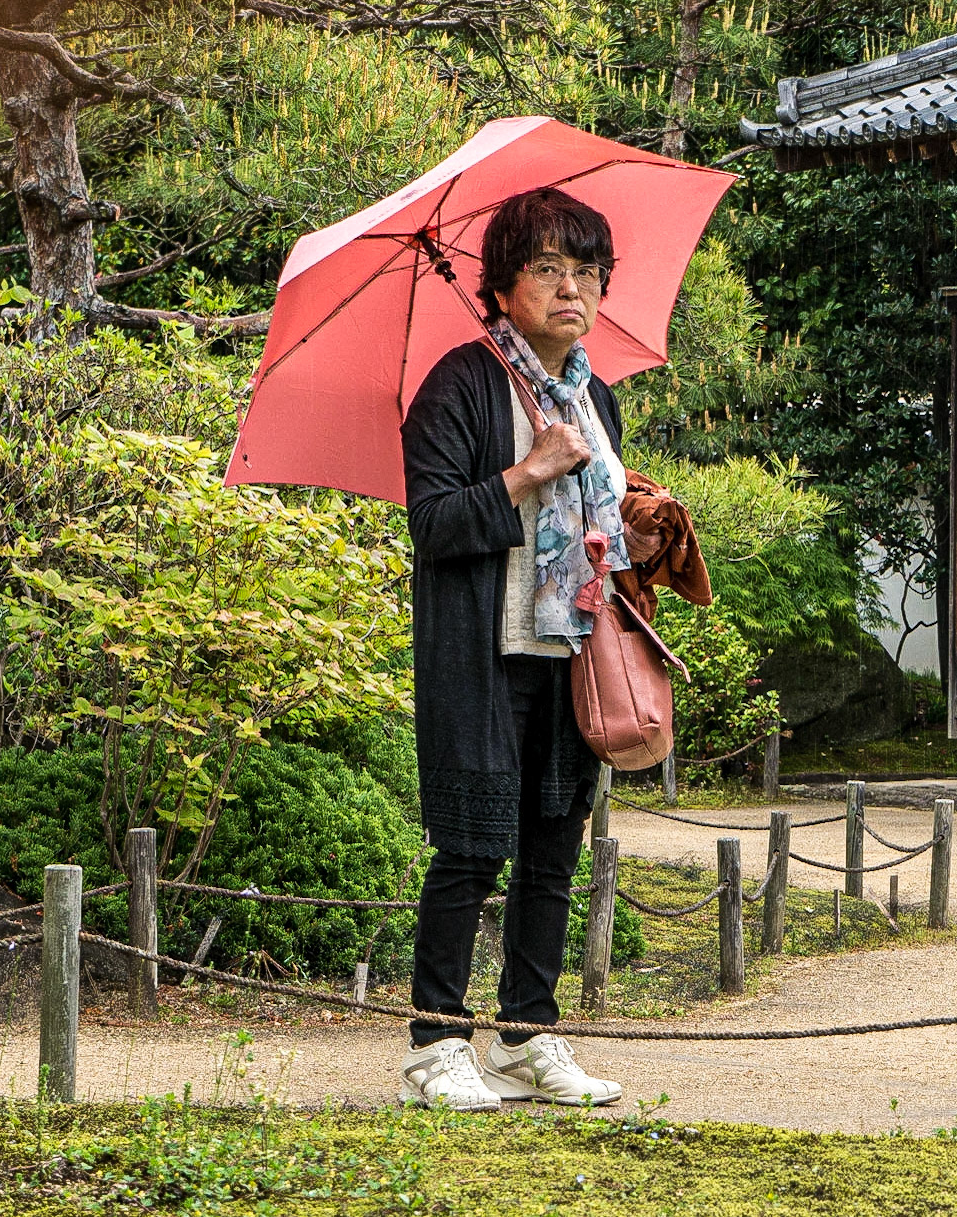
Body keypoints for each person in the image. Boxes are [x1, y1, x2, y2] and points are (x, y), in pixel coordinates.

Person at [396, 187, 629, 1110]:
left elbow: (598, 521)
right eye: (547, 268)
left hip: (570, 647)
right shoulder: (458, 384)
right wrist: (529, 468)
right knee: (470, 845)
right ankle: (435, 1042)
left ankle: (528, 1034)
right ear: (501, 284)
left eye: (587, 270)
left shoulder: (592, 394)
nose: (571, 287)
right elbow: (434, 523)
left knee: (553, 846)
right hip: (481, 648)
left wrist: (637, 534)